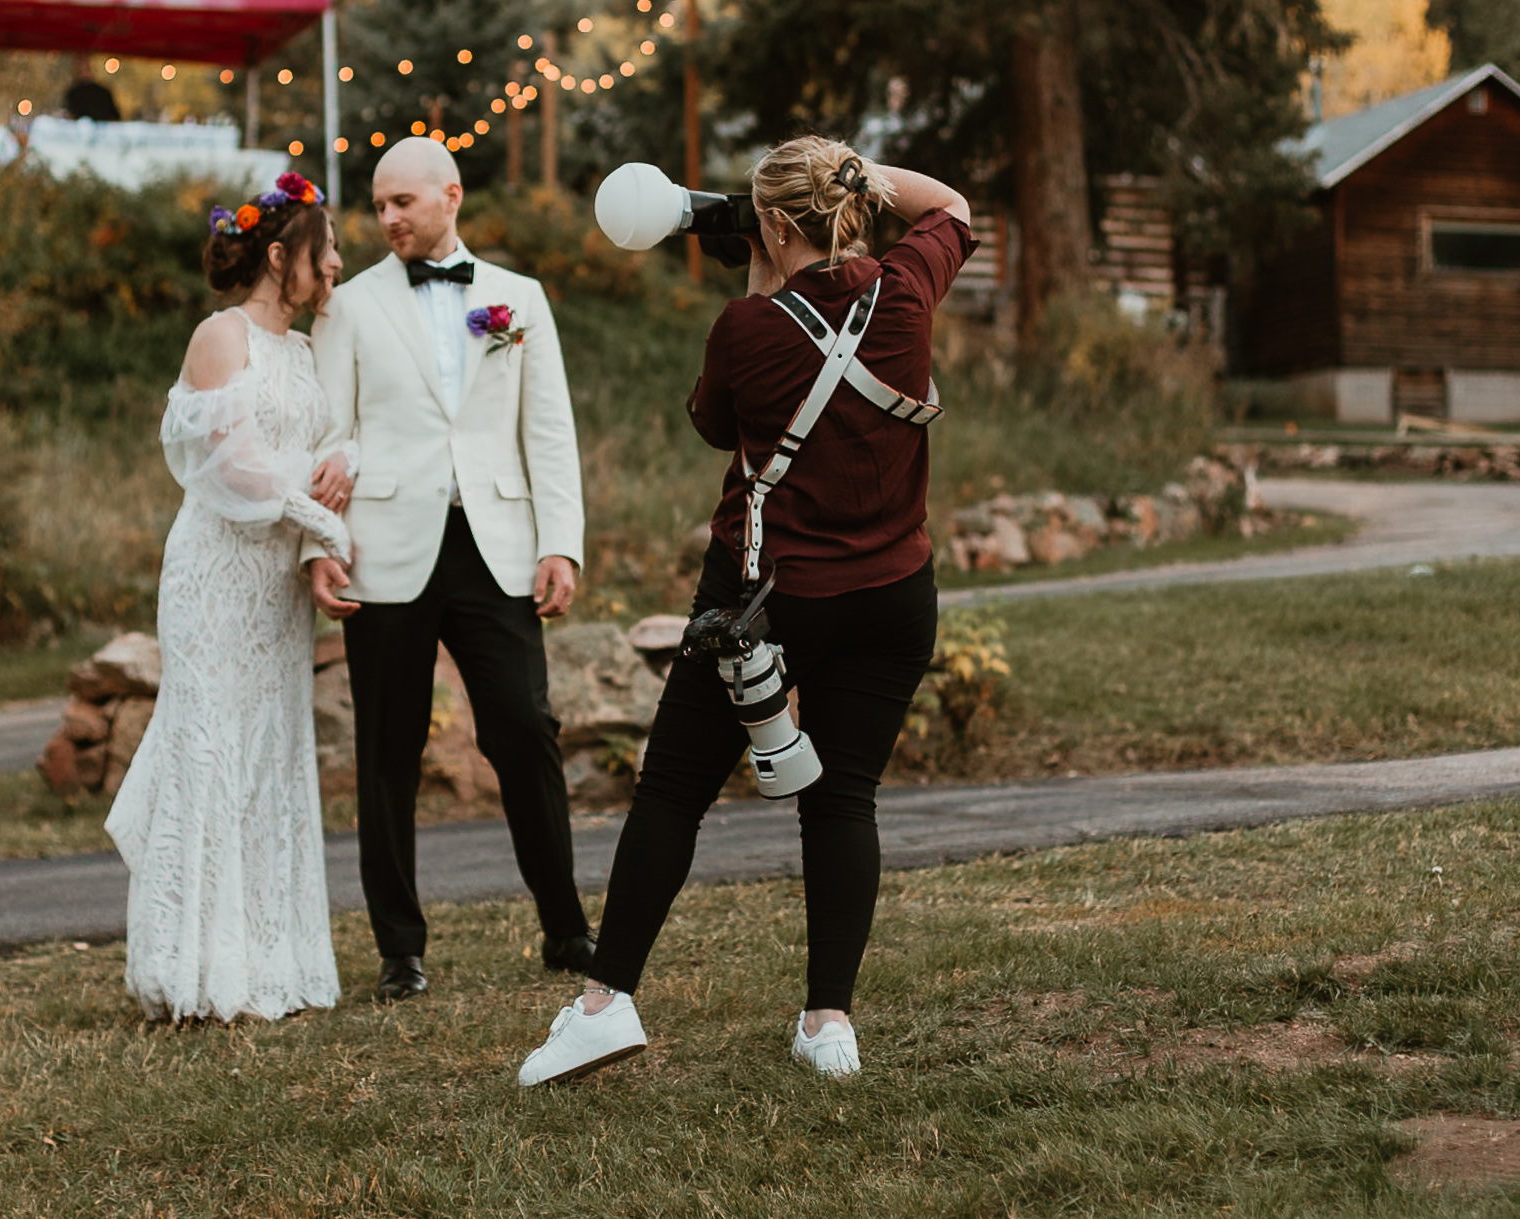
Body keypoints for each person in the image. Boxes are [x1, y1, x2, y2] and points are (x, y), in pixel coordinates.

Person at [517, 137, 973, 1084]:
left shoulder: (746, 328)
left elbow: (716, 425)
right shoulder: (907, 287)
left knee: (674, 791)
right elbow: (954, 206)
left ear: (768, 224)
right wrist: (858, 178)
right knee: (844, 799)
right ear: (853, 203)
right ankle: (827, 1024)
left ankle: (605, 1005)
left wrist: (762, 269)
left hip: (765, 600)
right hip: (894, 595)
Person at [303, 136, 595, 1003]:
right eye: (379, 205)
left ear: (450, 195)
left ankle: (567, 927)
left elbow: (549, 432)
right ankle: (400, 948)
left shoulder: (519, 299)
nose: (387, 218)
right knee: (387, 751)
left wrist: (560, 541)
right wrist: (321, 545)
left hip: (495, 547)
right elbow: (325, 438)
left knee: (524, 730)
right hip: (384, 550)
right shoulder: (348, 307)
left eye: (403, 202)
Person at [106, 170, 354, 1023]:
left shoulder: (306, 348)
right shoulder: (223, 337)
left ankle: (270, 960)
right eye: (327, 253)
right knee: (210, 747)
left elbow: (325, 440)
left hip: (276, 585)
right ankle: (194, 968)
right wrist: (321, 515)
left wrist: (342, 470)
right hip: (216, 575)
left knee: (270, 751)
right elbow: (231, 467)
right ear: (281, 254)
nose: (338, 268)